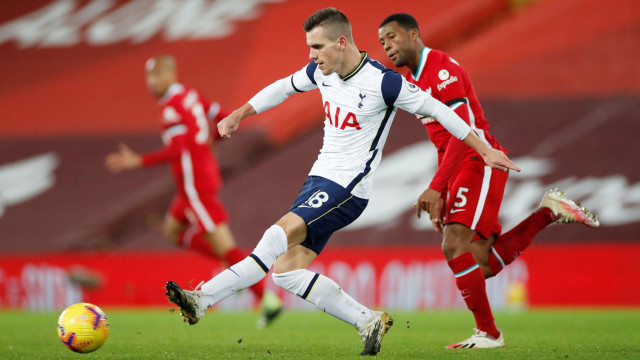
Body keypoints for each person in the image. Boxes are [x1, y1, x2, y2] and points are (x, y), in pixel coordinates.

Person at [164, 8, 519, 356]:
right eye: (309, 48)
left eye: (317, 47)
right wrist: (240, 113)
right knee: (286, 273)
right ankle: (367, 320)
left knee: (275, 236)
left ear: (342, 42)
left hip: (348, 189)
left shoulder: (384, 83)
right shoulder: (322, 73)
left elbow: (440, 110)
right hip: (318, 181)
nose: (311, 55)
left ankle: (202, 299)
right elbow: (283, 88)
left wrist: (484, 149)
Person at [378, 13, 600, 349]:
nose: (387, 47)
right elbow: (442, 141)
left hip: (478, 160)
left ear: (413, 35)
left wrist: (437, 187)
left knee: (453, 247)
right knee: (480, 263)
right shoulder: (415, 80)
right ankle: (548, 212)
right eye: (382, 42)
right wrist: (445, 188)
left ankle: (490, 334)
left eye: (391, 37)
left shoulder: (441, 70)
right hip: (458, 166)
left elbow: (463, 132)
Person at [105, 55, 282, 328]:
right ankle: (232, 266)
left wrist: (138, 161)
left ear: (169, 75)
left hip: (194, 185)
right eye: (148, 77)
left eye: (155, 76)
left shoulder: (171, 108)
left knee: (226, 246)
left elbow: (179, 149)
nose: (150, 83)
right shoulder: (191, 95)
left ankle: (267, 300)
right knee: (172, 230)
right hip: (198, 180)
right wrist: (210, 143)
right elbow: (222, 117)